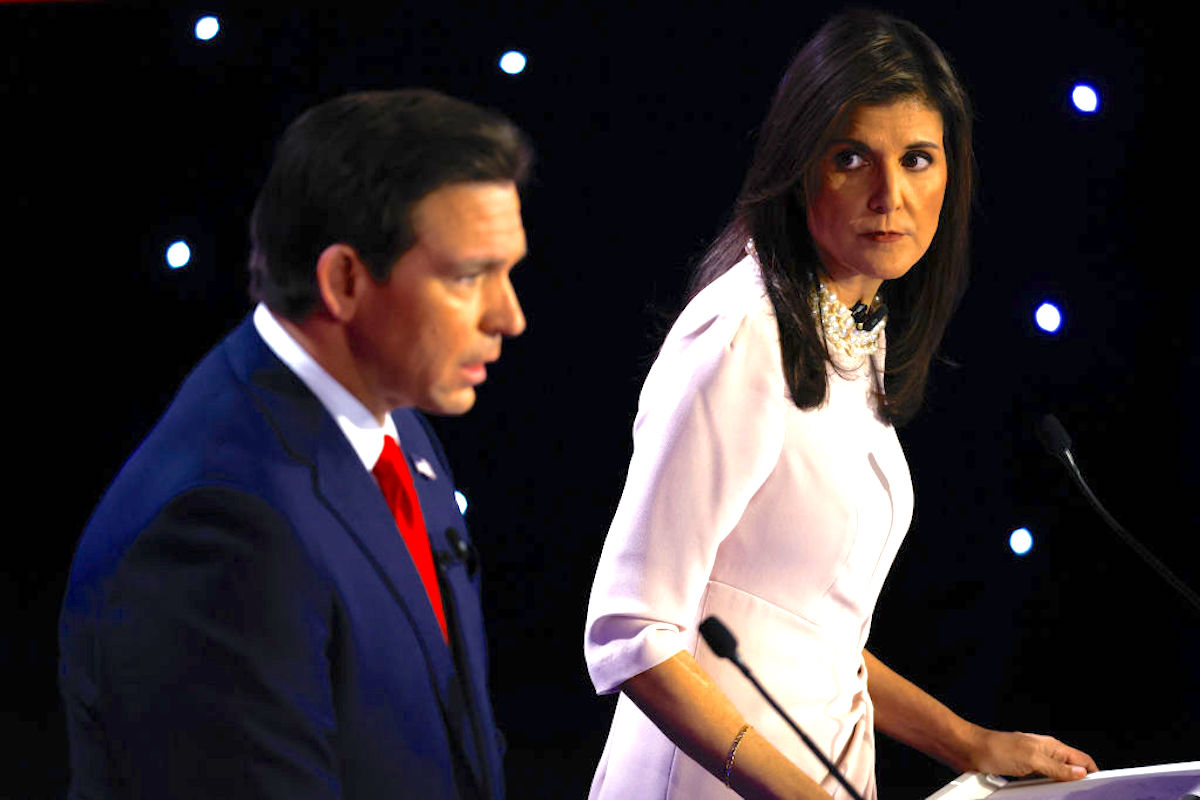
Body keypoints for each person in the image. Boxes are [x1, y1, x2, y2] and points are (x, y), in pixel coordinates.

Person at [583, 11, 1096, 800]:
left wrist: (968, 743)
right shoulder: (743, 336)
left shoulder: (849, 327)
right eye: (851, 158)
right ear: (800, 169)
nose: (891, 196)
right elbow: (632, 633)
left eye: (917, 159)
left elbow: (810, 630)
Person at [59, 89, 530, 799]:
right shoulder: (220, 529)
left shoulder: (393, 416)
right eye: (468, 276)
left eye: (507, 271)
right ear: (343, 280)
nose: (509, 316)